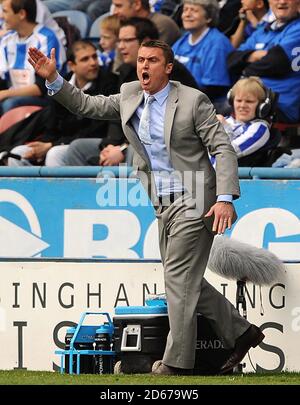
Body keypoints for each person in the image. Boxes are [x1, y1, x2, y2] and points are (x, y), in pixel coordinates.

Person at [28, 40, 265, 375]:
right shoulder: (129, 94)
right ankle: (242, 332)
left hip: (196, 198)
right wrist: (54, 79)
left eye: (152, 60)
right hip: (161, 202)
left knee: (179, 280)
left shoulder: (193, 101)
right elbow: (86, 105)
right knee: (186, 280)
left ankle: (176, 364)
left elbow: (223, 149)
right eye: (140, 60)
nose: (144, 66)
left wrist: (225, 198)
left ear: (168, 67)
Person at [7, 40, 117, 166]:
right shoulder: (61, 82)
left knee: (55, 153)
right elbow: (52, 123)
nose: (93, 63)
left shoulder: (109, 82)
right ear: (72, 65)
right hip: (59, 142)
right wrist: (45, 144)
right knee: (17, 154)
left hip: (90, 143)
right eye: (85, 59)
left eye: (94, 57)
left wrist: (52, 145)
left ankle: (58, 186)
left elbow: (97, 128)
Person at [227, 0, 300, 123]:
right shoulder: (264, 29)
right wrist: (256, 56)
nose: (282, 2)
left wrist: (246, 69)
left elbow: (276, 62)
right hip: (248, 102)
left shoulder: (297, 28)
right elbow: (231, 60)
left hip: (279, 105)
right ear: (270, 2)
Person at [0, 0, 66, 114]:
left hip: (46, 99)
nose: (1, 16)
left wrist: (5, 94)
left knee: (10, 104)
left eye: (5, 11)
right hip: (14, 95)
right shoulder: (6, 40)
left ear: (21, 14)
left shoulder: (46, 38)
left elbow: (41, 88)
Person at [172, 0, 234, 107]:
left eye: (194, 10)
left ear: (208, 17)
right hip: (180, 99)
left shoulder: (217, 43)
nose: (187, 14)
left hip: (207, 104)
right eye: (185, 10)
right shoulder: (182, 41)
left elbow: (215, 88)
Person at [215, 77, 271, 165]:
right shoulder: (224, 120)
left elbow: (226, 153)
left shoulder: (260, 128)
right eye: (239, 100)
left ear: (261, 106)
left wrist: (224, 128)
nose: (242, 105)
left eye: (249, 101)